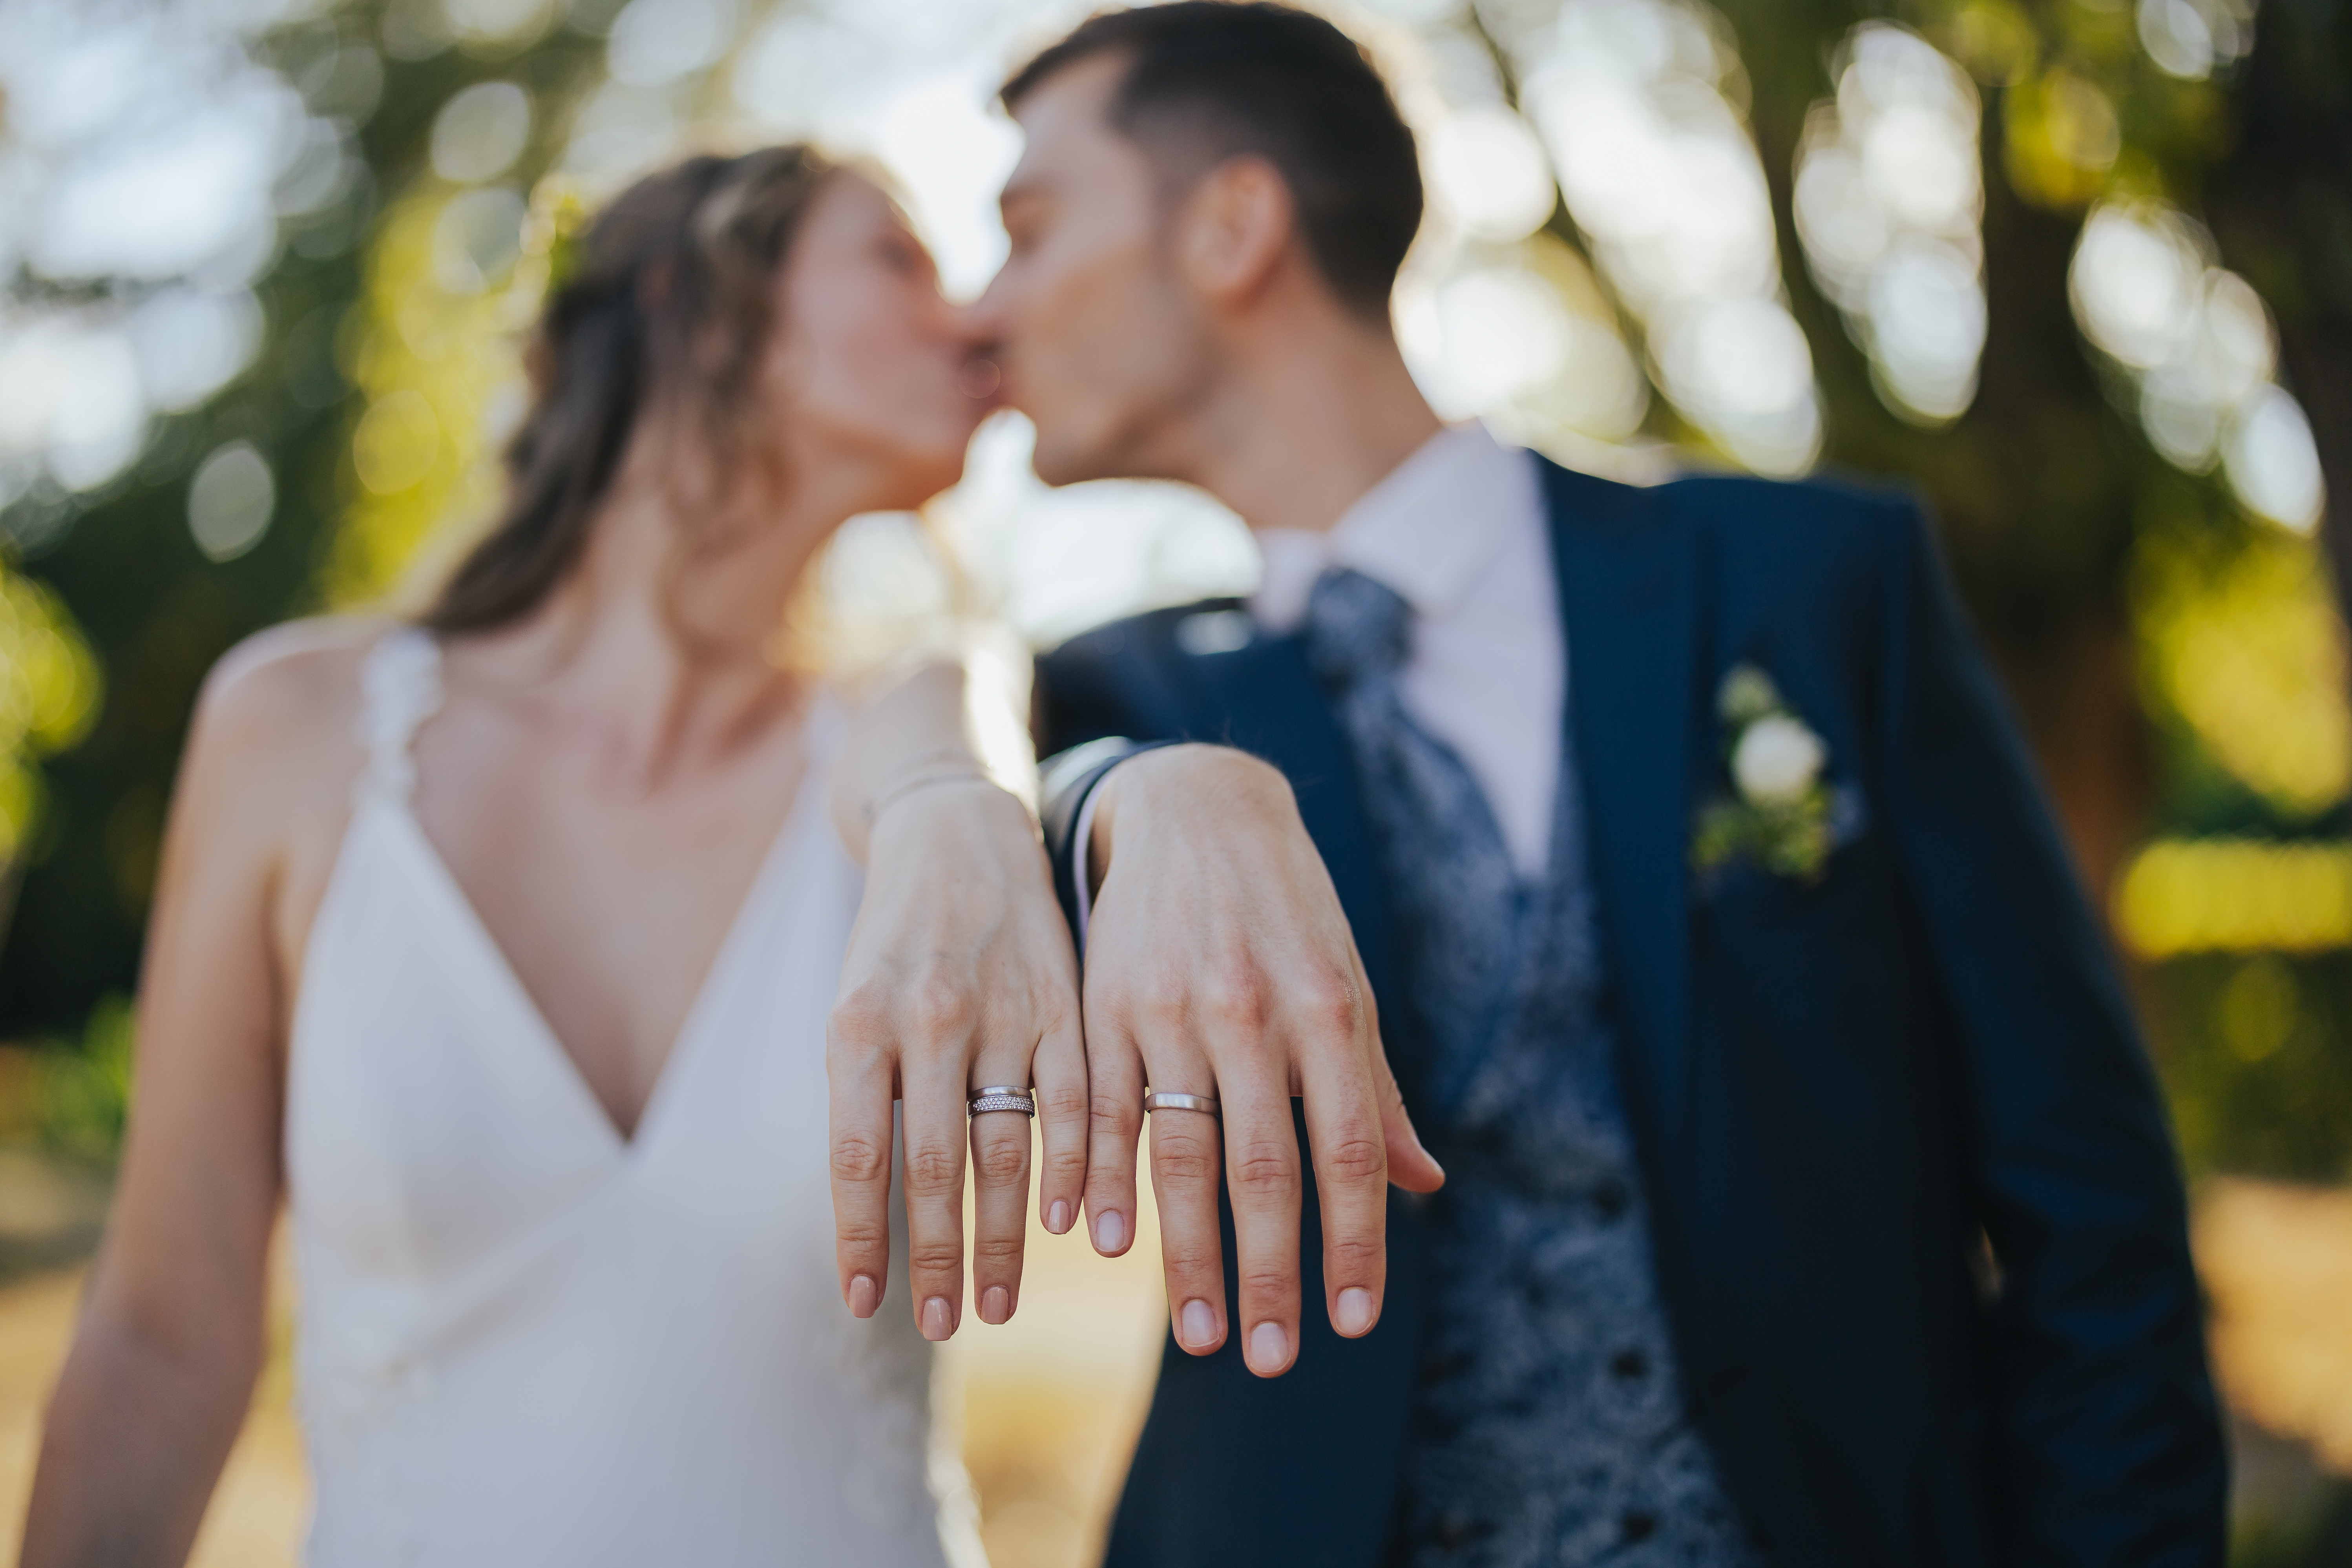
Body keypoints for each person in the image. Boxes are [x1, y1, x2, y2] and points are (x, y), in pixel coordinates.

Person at [941, 4, 2226, 1564]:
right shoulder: (1116, 695)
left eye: (1027, 228)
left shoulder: (1813, 587)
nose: (981, 310)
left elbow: (2090, 1205)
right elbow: (986, 796)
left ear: (1233, 226)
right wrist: (1123, 797)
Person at [18, 146, 1093, 1568]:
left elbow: (957, 730)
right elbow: (163, 1335)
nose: (974, 321)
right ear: (690, 302)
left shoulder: (913, 749)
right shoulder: (296, 731)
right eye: (899, 259)